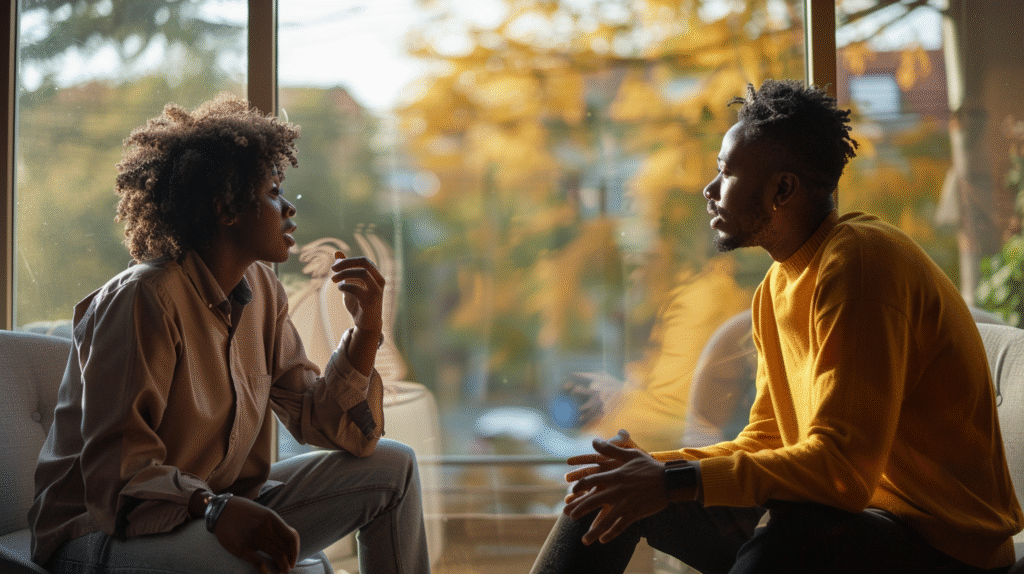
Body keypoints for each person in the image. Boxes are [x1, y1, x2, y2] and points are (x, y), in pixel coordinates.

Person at [529, 79, 1023, 574]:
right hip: (854, 523)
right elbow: (766, 441)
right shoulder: (775, 287)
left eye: (725, 172)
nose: (709, 189)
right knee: (604, 492)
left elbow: (842, 474)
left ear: (782, 189)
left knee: (793, 536)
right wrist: (651, 472)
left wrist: (673, 479)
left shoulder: (862, 262)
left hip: (946, 551)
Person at [29, 93, 431, 574]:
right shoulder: (145, 299)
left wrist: (366, 332)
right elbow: (118, 477)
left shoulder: (262, 291)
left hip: (209, 509)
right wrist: (212, 508)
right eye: (273, 192)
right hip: (99, 531)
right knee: (253, 560)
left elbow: (326, 425)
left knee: (394, 467)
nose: (289, 210)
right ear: (226, 208)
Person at [564, 257, 753, 452]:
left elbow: (672, 409)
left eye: (639, 264)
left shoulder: (704, 297)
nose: (634, 275)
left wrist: (596, 439)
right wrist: (625, 394)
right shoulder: (686, 297)